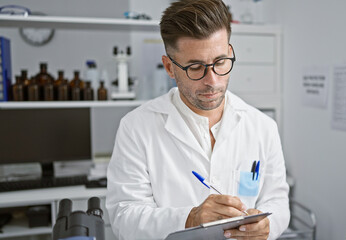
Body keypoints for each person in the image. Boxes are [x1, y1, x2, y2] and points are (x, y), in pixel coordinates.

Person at [106, 0, 290, 239]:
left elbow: (278, 202)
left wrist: (267, 227)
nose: (212, 81)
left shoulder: (262, 127)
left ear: (231, 53)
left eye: (220, 62)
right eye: (195, 67)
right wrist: (189, 218)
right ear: (170, 68)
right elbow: (124, 218)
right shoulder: (136, 127)